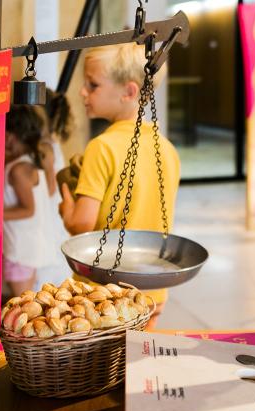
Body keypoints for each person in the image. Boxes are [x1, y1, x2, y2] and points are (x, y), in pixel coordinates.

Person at [59, 42, 180, 324]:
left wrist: (66, 208)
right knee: (138, 360)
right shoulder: (168, 149)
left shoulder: (101, 148)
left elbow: (82, 225)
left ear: (129, 91)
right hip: (152, 288)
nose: (82, 92)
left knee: (104, 366)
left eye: (93, 84)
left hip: (104, 295)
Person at [3, 105, 59, 295]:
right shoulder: (31, 161)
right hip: (27, 251)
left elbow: (28, 209)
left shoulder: (19, 169)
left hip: (20, 253)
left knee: (22, 310)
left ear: (11, 135)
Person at [35, 89, 75, 286]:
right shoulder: (51, 143)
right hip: (52, 219)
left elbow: (49, 190)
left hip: (50, 217)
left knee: (46, 278)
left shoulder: (46, 147)